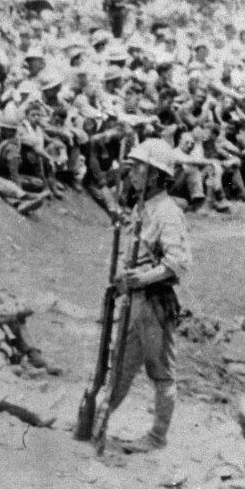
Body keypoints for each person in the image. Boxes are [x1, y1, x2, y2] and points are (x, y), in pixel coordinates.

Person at [97, 138, 192, 453]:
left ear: (154, 174)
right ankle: (99, 419)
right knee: (121, 363)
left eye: (138, 168)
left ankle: (157, 436)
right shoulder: (142, 207)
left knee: (161, 372)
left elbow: (178, 261)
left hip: (155, 300)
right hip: (133, 300)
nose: (132, 174)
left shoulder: (167, 212)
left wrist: (144, 277)